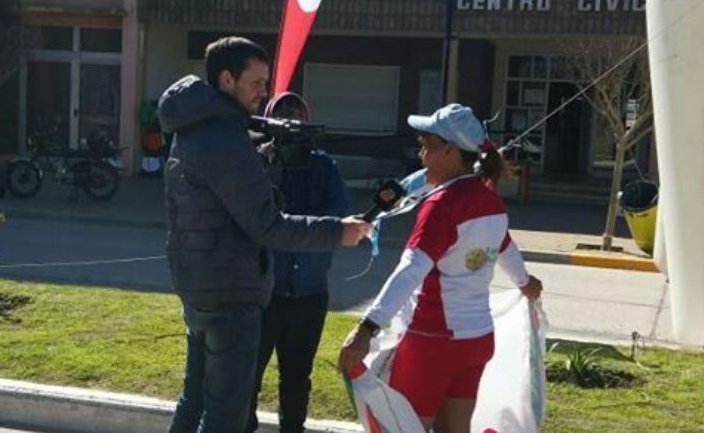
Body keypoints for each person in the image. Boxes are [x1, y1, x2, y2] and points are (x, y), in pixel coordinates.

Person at [157, 36, 371, 433]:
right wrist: (336, 232)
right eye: (256, 83)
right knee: (226, 415)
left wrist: (258, 159)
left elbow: (221, 199)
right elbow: (267, 224)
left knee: (195, 398)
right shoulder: (224, 140)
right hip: (230, 294)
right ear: (226, 79)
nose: (264, 93)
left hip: (200, 286)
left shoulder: (195, 128)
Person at [338, 103, 543, 433]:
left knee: (403, 428)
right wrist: (525, 283)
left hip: (432, 342)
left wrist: (366, 330)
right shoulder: (490, 200)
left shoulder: (440, 205)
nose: (420, 157)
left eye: (425, 146)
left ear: (448, 151)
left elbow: (410, 271)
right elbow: (505, 247)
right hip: (477, 341)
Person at [245, 92, 349, 433]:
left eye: (297, 114)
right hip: (265, 294)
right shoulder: (257, 161)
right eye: (283, 114)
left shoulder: (324, 165)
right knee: (248, 375)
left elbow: (337, 216)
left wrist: (297, 229)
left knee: (296, 376)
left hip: (309, 293)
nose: (292, 121)